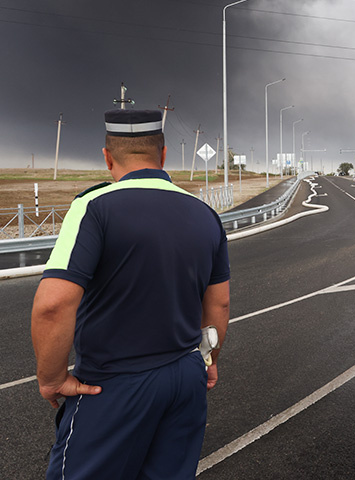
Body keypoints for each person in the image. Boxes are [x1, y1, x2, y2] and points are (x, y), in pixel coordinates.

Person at [31, 109, 230, 480]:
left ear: (107, 158)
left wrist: (52, 378)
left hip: (115, 382)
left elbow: (53, 304)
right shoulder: (206, 215)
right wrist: (209, 359)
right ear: (164, 155)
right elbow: (218, 304)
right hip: (187, 376)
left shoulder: (94, 207)